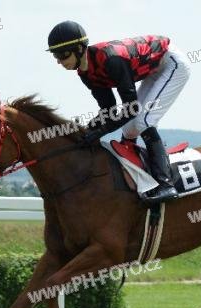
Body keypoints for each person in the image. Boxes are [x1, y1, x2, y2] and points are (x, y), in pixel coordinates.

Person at [46, 21, 191, 204]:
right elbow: (108, 110)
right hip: (154, 69)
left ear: (79, 48)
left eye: (62, 54)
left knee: (143, 121)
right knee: (129, 129)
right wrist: (87, 131)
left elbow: (131, 108)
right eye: (56, 55)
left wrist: (100, 132)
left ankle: (166, 184)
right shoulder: (85, 73)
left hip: (172, 63)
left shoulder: (112, 60)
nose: (59, 61)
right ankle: (136, 173)